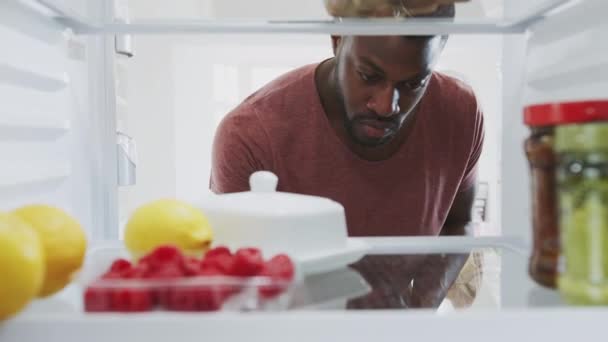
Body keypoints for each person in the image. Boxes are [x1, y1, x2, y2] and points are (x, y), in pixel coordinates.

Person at [210, 1, 484, 237]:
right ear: (337, 38)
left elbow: (458, 224)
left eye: (414, 84)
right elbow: (237, 267)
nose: (386, 106)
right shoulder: (249, 135)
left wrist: (421, 299)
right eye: (368, 76)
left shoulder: (460, 112)